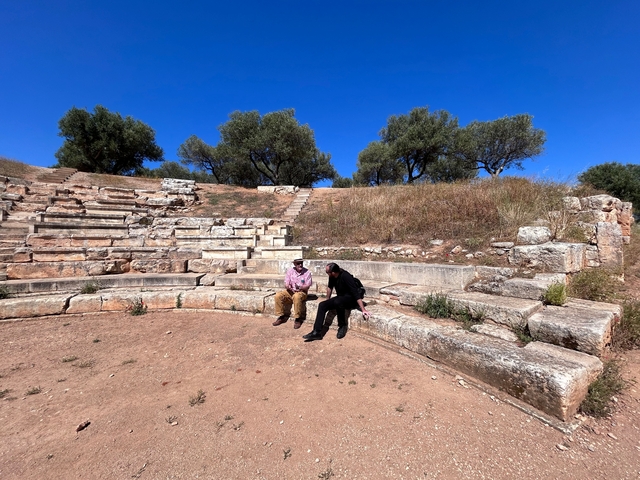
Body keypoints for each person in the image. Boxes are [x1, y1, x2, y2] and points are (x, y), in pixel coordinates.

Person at [303, 262, 370, 341]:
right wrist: (327, 302)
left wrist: (363, 309)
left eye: (327, 272)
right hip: (341, 297)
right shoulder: (332, 276)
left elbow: (355, 293)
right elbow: (330, 288)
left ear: (333, 272)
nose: (327, 274)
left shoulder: (346, 276)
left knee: (338, 302)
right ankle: (316, 332)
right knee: (322, 305)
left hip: (351, 299)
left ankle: (342, 326)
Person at [273, 258, 312, 329]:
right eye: (298, 263)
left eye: (301, 263)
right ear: (294, 264)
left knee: (297, 297)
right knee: (278, 296)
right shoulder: (290, 271)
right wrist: (288, 287)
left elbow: (308, 286)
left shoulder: (307, 272)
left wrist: (300, 287)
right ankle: (281, 316)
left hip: (302, 292)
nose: (300, 265)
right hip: (290, 291)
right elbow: (286, 283)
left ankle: (298, 319)